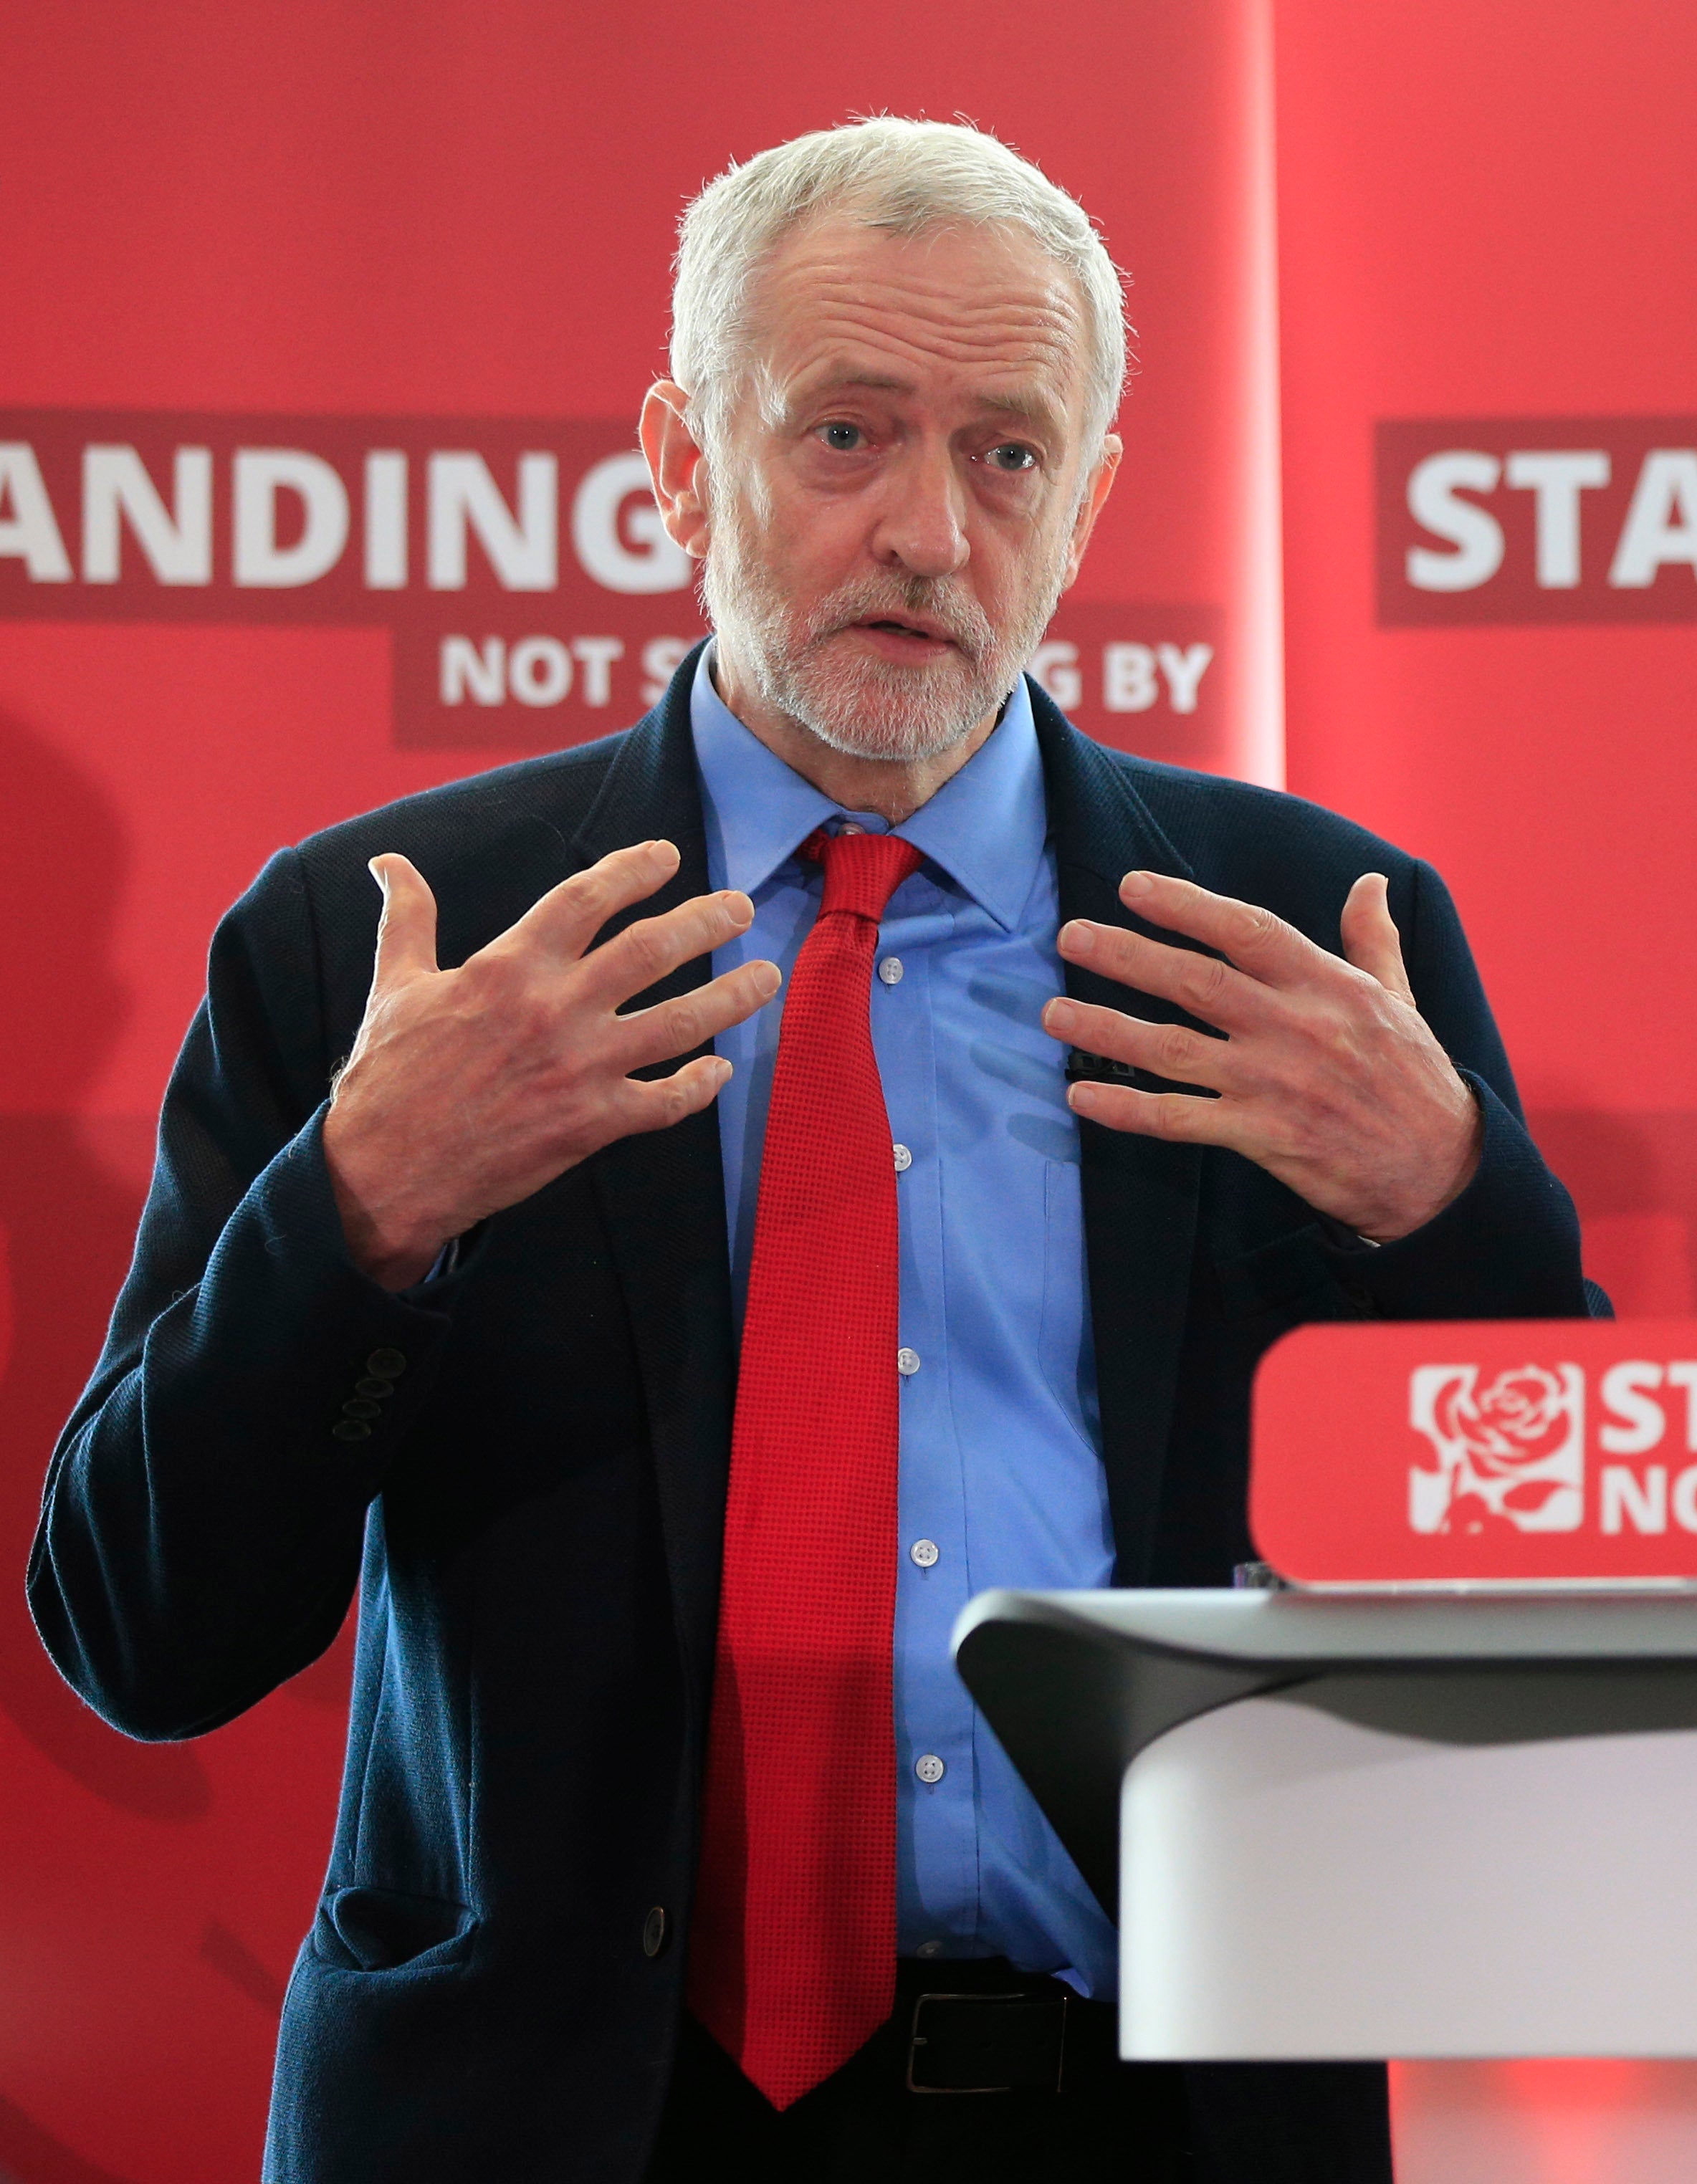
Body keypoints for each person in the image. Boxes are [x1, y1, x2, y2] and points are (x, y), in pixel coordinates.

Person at [27, 119, 1592, 2184]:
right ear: (681, 461)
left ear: (1093, 495)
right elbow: (147, 1637)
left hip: (1153, 2121)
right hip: (553, 2126)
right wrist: (358, 1214)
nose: (930, 531)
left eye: (1009, 454)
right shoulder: (394, 939)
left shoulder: (1304, 937)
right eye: (846, 435)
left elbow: (1559, 1604)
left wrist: (1457, 1210)